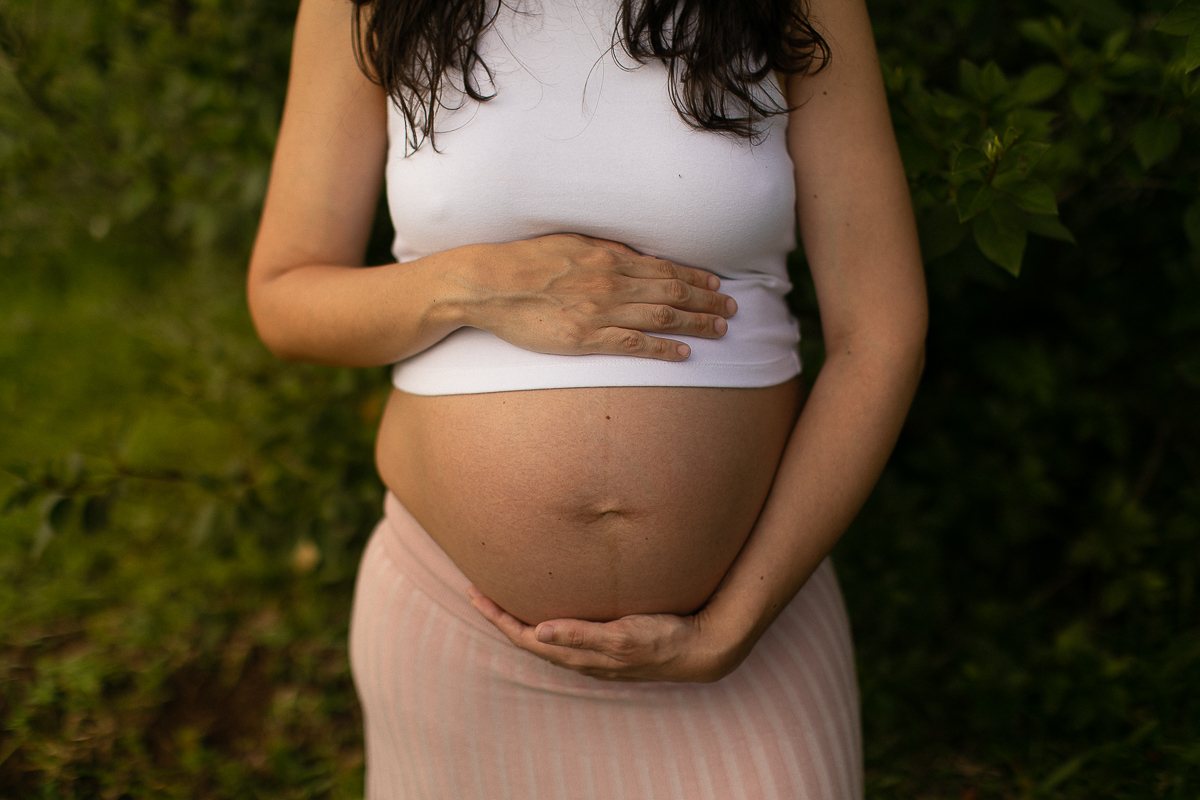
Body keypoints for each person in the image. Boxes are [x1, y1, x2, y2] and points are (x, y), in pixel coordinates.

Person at [248, 0, 926, 795]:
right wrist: (471, 285)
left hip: (753, 636)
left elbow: (880, 334)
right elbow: (284, 298)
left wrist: (736, 622)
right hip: (463, 636)